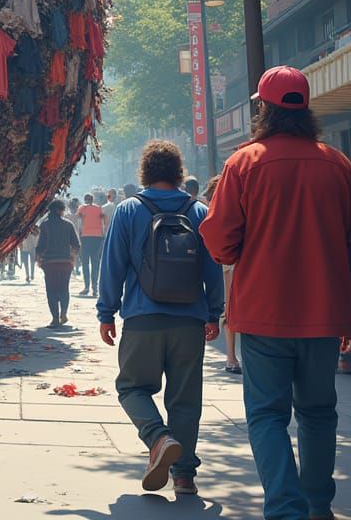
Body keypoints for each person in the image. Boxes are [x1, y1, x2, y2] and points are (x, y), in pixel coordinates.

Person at [200, 66, 351, 520]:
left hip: (263, 312)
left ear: (263, 109)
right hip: (324, 312)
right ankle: (318, 505)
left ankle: (286, 510)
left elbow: (219, 240)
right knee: (319, 412)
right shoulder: (337, 164)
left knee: (267, 415)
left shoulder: (244, 163)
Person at [97, 139, 223, 497]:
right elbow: (213, 268)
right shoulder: (198, 211)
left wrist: (106, 312)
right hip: (190, 322)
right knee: (185, 400)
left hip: (143, 319)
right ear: (179, 171)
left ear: (145, 171)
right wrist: (214, 313)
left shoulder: (128, 210)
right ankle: (184, 477)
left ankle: (158, 438)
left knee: (131, 388)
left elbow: (112, 265)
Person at [203, 175, 241, 375]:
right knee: (230, 310)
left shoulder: (221, 206)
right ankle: (231, 357)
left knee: (230, 308)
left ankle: (232, 357)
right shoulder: (220, 206)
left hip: (231, 260)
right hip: (231, 261)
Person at [36, 201, 80, 328]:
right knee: (64, 289)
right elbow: (76, 245)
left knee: (51, 290)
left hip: (49, 263)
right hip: (65, 263)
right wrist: (72, 257)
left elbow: (40, 246)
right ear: (60, 211)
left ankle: (55, 318)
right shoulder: (68, 224)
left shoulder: (45, 225)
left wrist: (39, 258)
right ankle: (64, 313)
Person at [77, 193, 106, 297]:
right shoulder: (99, 209)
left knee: (85, 262)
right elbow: (103, 223)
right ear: (92, 200)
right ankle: (95, 288)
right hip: (97, 237)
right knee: (95, 263)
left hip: (85, 237)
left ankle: (86, 287)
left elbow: (79, 223)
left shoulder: (81, 208)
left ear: (85, 199)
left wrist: (79, 236)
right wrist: (103, 235)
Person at [67, 197, 83, 275]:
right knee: (76, 254)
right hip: (77, 236)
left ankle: (72, 268)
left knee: (70, 253)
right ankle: (76, 268)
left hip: (68, 237)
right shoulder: (79, 216)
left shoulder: (66, 216)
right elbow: (81, 227)